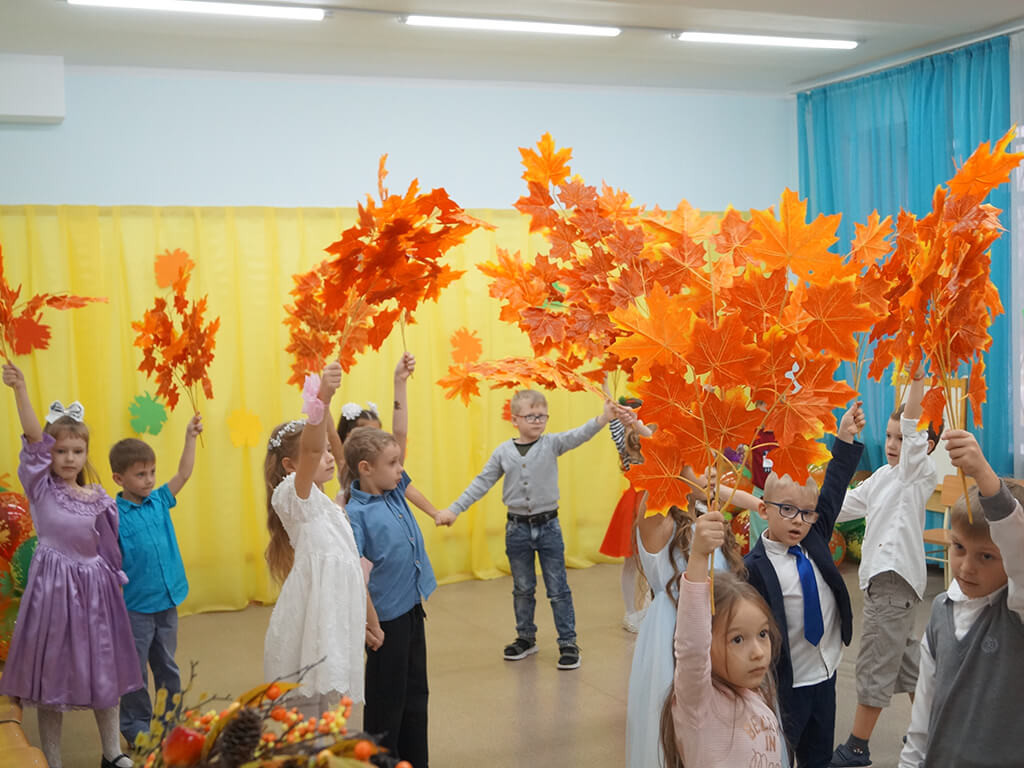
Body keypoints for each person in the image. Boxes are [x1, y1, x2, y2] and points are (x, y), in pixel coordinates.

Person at [0, 362, 141, 768]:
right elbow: (32, 437)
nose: (68, 458)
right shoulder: (41, 488)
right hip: (54, 594)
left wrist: (115, 581)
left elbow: (110, 549)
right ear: (49, 454)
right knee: (54, 678)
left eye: (76, 451)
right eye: (60, 451)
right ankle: (54, 758)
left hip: (95, 594)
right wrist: (20, 390)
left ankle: (112, 752)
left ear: (85, 454)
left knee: (104, 673)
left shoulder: (98, 497)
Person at [440, 389, 615, 670]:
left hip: (549, 527)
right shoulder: (503, 452)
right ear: (515, 419)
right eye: (531, 416)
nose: (538, 421)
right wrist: (454, 509)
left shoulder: (552, 444)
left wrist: (602, 419)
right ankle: (525, 637)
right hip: (517, 530)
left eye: (542, 416)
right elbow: (481, 483)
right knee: (522, 588)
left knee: (558, 588)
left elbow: (578, 435)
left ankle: (568, 642)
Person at [745, 402, 865, 768]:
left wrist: (844, 437)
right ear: (763, 510)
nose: (798, 521)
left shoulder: (814, 536)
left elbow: (834, 486)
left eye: (807, 513)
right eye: (787, 510)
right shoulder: (753, 568)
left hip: (824, 675)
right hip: (785, 684)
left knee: (818, 756)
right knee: (778, 755)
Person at [830, 372, 938, 767]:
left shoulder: (917, 473)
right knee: (909, 664)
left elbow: (913, 431)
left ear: (921, 445)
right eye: (888, 437)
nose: (892, 444)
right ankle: (932, 727)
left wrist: (915, 381)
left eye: (900, 438)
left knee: (875, 662)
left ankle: (857, 747)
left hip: (892, 584)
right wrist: (806, 498)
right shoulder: (882, 477)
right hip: (887, 586)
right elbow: (840, 507)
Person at [899, 430, 1024, 768]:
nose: (966, 568)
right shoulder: (941, 610)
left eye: (987, 557)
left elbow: (1019, 549)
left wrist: (984, 475)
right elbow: (923, 712)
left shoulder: (1016, 611)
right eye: (958, 548)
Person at [262, 363, 375, 718]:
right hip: (312, 620)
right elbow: (311, 452)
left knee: (331, 715)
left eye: (330, 450)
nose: (328, 457)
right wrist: (321, 401)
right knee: (309, 711)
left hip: (337, 620)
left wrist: (370, 621)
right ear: (289, 465)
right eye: (321, 451)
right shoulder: (292, 497)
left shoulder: (331, 507)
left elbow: (351, 565)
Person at [345, 424, 443, 768]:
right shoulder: (355, 515)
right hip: (385, 621)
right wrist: (370, 624)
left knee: (416, 694)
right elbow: (356, 577)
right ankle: (383, 763)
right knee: (387, 702)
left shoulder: (395, 489)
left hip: (412, 609)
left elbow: (401, 429)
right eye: (393, 463)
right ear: (365, 468)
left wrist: (400, 382)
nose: (401, 469)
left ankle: (415, 762)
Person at [628, 491, 748, 768]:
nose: (709, 469)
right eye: (695, 461)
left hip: (717, 629)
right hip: (673, 634)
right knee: (682, 730)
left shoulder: (707, 515)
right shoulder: (659, 520)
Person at [661, 508, 784, 767]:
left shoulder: (756, 693)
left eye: (762, 634)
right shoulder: (699, 704)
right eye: (738, 639)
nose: (758, 652)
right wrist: (698, 556)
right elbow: (691, 647)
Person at [109, 413, 204, 746]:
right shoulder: (112, 515)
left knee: (167, 665)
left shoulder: (160, 500)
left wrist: (190, 437)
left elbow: (184, 472)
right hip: (134, 608)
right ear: (119, 478)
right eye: (140, 475)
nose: (148, 480)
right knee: (134, 671)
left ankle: (170, 723)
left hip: (166, 601)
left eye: (151, 473)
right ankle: (136, 726)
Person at [334, 352, 448, 526]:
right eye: (365, 431)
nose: (373, 437)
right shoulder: (346, 467)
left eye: (377, 432)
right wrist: (323, 399)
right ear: (349, 435)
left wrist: (400, 381)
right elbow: (329, 435)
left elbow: (400, 432)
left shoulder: (390, 473)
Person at [600, 400, 655, 632]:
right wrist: (605, 385)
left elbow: (656, 440)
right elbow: (612, 418)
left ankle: (650, 607)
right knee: (631, 561)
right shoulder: (624, 439)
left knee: (654, 559)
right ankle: (631, 612)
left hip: (653, 502)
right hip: (634, 503)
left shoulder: (655, 436)